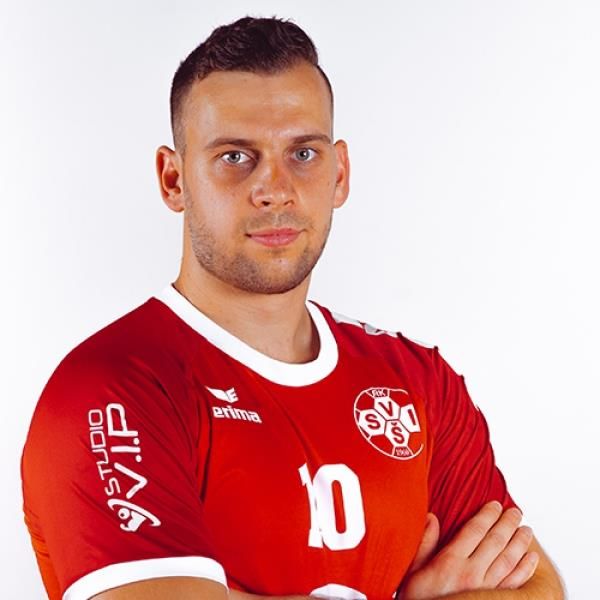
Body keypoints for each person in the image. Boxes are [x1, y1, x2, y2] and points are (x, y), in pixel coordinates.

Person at [21, 16, 564, 600]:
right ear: (173, 179)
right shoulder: (112, 389)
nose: (274, 189)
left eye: (303, 152)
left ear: (340, 173)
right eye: (235, 157)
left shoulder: (417, 382)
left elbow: (535, 587)